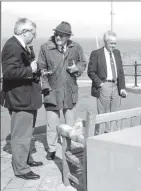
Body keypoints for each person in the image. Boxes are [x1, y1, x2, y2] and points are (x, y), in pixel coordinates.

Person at [37, 21, 87, 160]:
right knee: (52, 124)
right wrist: (46, 87)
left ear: (68, 36)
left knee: (70, 123)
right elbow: (41, 69)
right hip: (52, 92)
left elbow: (83, 63)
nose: (58, 37)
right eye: (57, 34)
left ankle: (68, 147)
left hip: (70, 91)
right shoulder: (45, 48)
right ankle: (52, 149)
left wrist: (77, 69)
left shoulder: (75, 47)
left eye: (62, 35)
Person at [1, 18, 43, 180]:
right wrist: (30, 69)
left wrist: (35, 71)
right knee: (21, 135)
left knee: (26, 133)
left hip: (26, 97)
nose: (35, 36)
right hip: (20, 99)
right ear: (24, 32)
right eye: (33, 32)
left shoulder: (19, 45)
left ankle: (24, 159)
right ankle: (21, 169)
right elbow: (9, 73)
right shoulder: (12, 46)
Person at [87, 31, 127, 134]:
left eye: (115, 43)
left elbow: (120, 71)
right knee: (103, 113)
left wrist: (122, 87)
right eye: (111, 43)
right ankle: (103, 133)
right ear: (105, 42)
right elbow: (91, 72)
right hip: (104, 85)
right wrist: (101, 84)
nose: (113, 46)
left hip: (116, 86)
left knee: (114, 112)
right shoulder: (96, 54)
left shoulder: (117, 53)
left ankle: (112, 133)